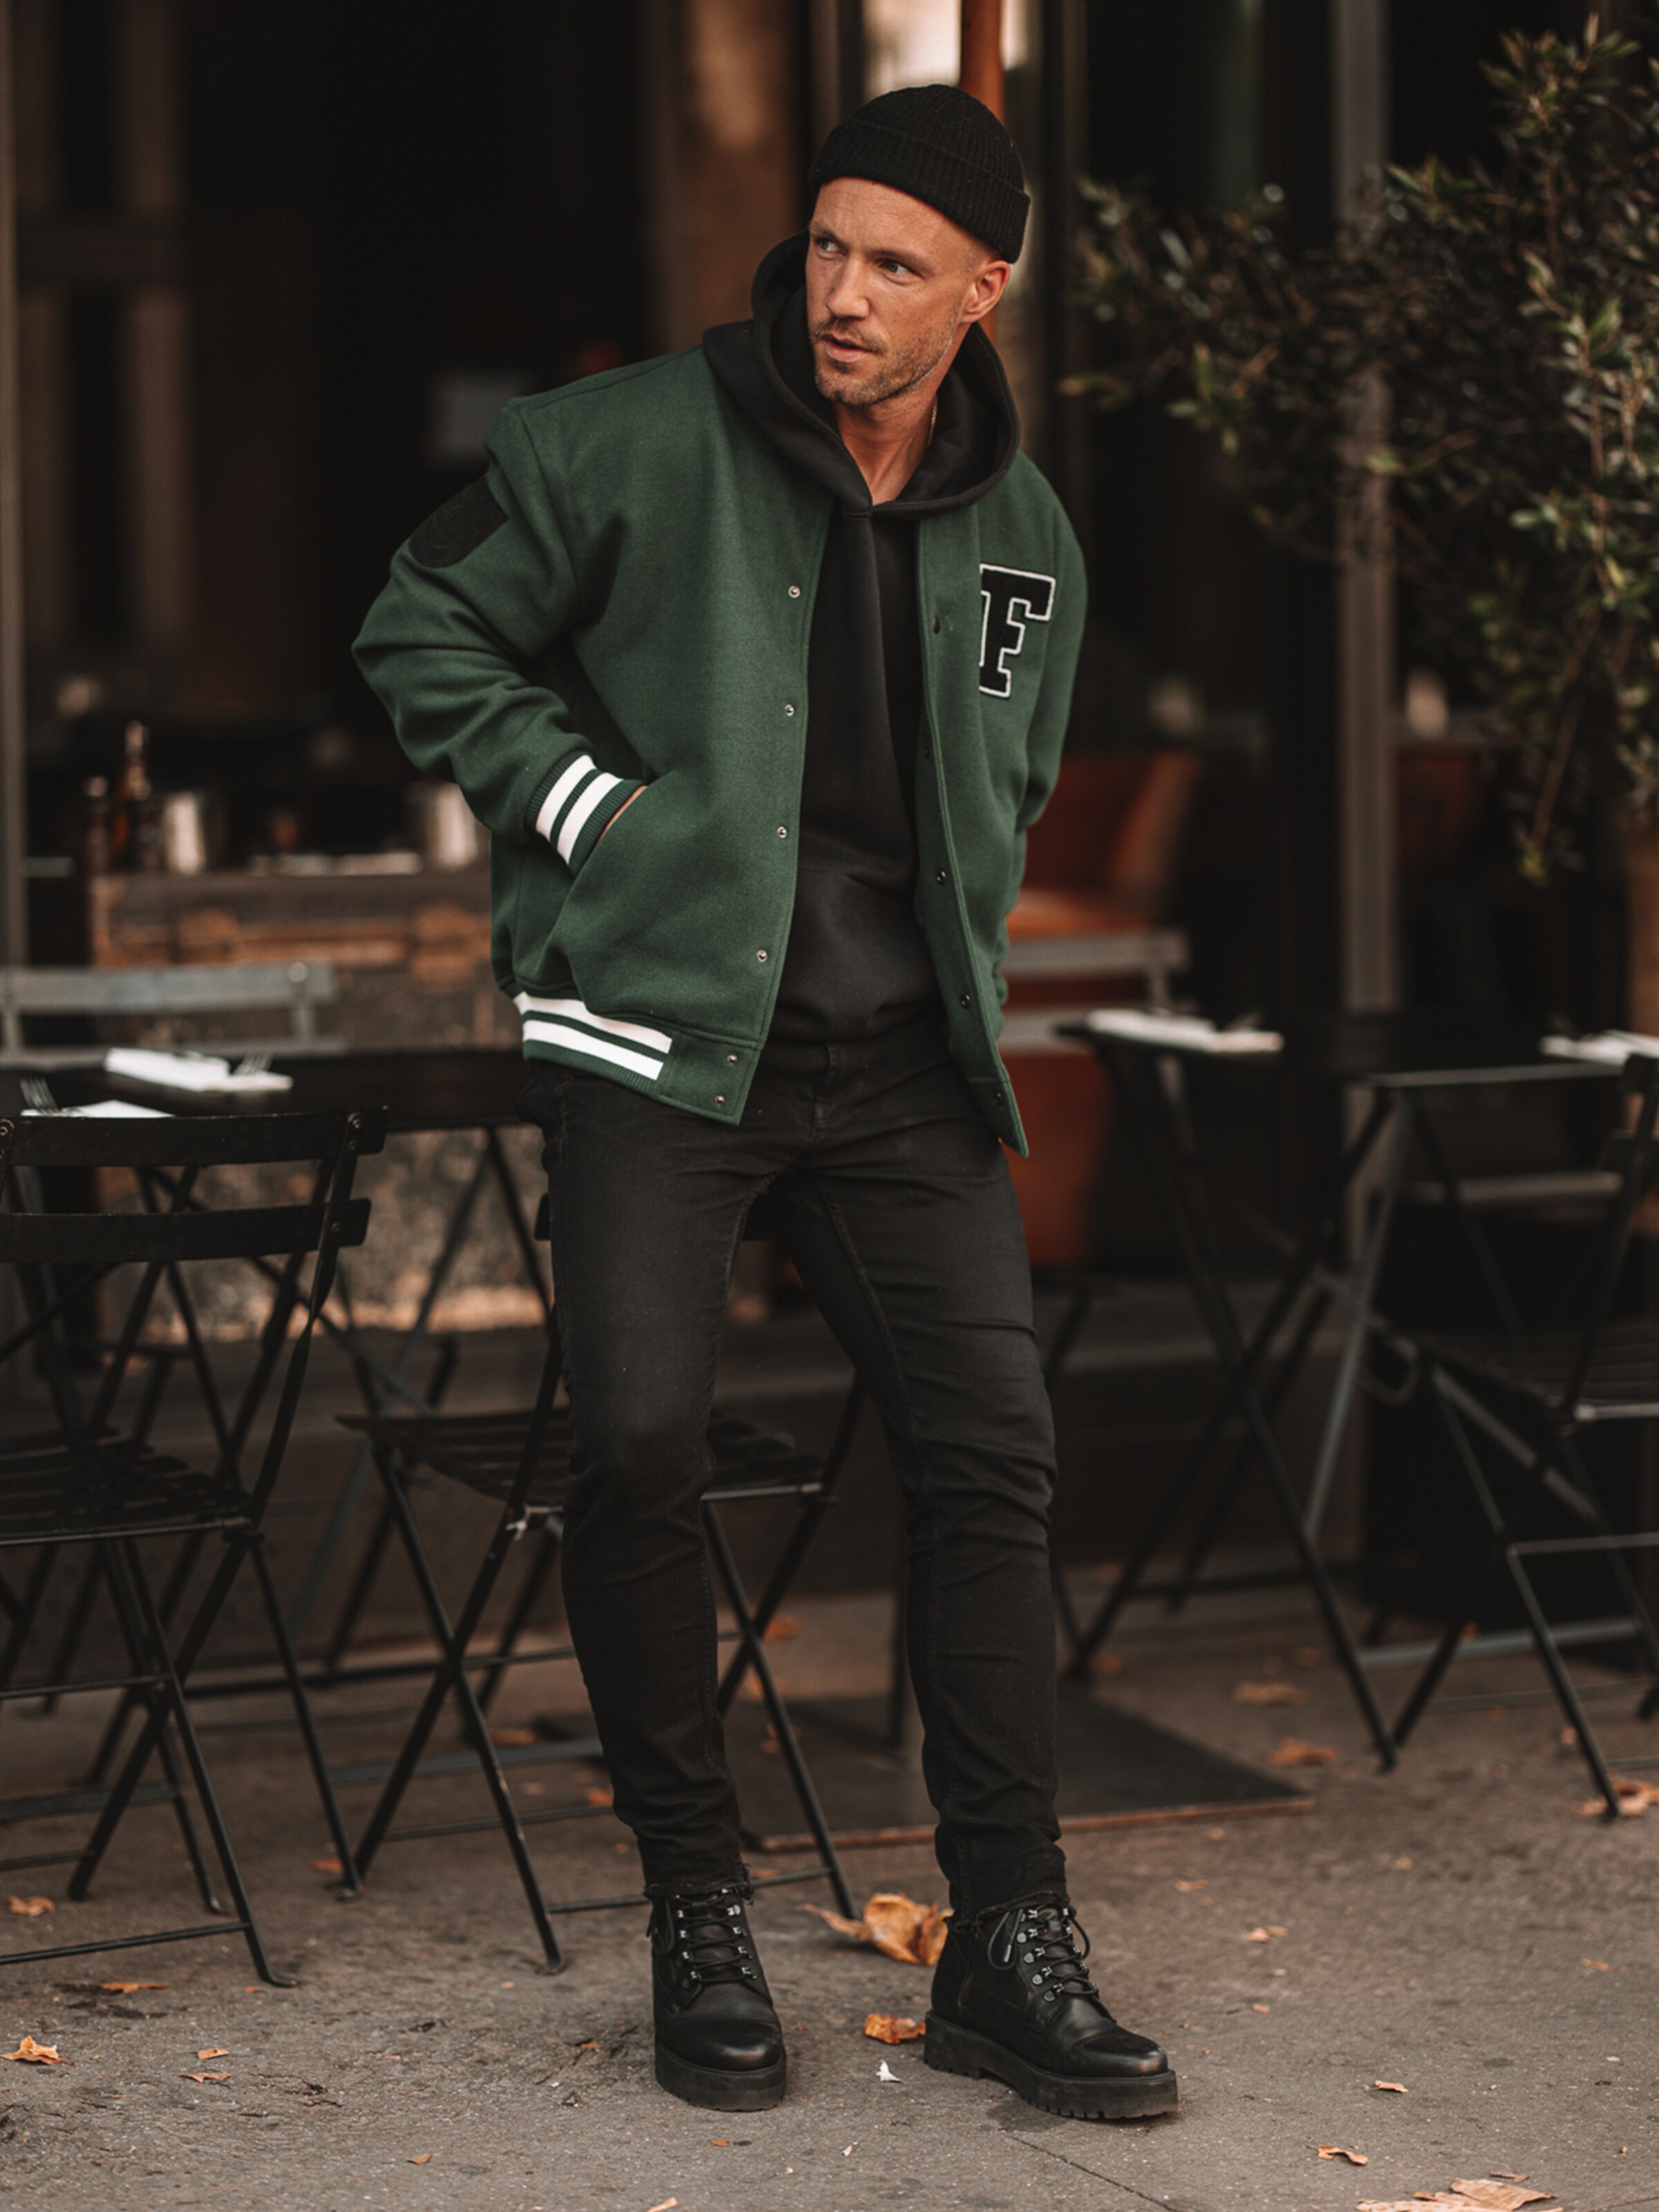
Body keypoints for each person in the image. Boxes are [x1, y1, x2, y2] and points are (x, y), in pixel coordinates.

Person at [356, 82, 1176, 2126]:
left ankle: (1009, 1940)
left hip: (900, 1072)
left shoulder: (1028, 534)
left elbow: (1014, 772)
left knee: (994, 1455)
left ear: (983, 291)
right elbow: (418, 621)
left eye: (896, 265)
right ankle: (698, 1906)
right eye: (826, 246)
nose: (843, 293)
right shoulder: (621, 442)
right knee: (640, 1444)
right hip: (662, 1045)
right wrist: (593, 815)